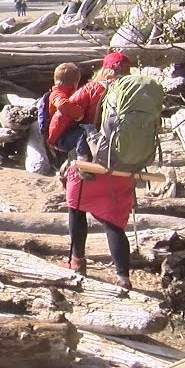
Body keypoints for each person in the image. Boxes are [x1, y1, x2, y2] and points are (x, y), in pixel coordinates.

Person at [52, 51, 135, 289]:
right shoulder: (136, 93)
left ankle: (77, 261)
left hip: (90, 162)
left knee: (76, 211)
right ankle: (123, 277)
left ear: (105, 68)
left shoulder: (93, 89)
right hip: (123, 163)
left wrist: (55, 140)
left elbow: (62, 116)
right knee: (114, 222)